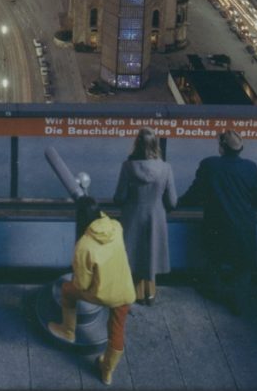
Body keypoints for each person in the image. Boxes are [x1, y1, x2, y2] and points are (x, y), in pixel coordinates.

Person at [48, 197, 135, 387]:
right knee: (117, 330)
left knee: (68, 290)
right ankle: (107, 371)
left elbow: (81, 285)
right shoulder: (116, 227)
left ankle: (68, 330)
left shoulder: (84, 245)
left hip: (102, 294)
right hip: (125, 290)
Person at [178, 130, 257, 314]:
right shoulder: (252, 168)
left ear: (221, 148)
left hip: (217, 224)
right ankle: (238, 302)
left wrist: (176, 203)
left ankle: (215, 292)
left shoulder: (210, 165)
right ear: (241, 148)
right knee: (242, 266)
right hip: (244, 225)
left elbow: (195, 193)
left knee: (214, 259)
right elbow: (256, 199)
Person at [113, 128, 177, 306]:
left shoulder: (128, 166)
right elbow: (172, 201)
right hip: (155, 217)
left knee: (133, 254)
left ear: (136, 145)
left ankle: (134, 293)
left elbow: (119, 197)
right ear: (155, 145)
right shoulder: (165, 168)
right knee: (151, 253)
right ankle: (149, 294)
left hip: (132, 215)